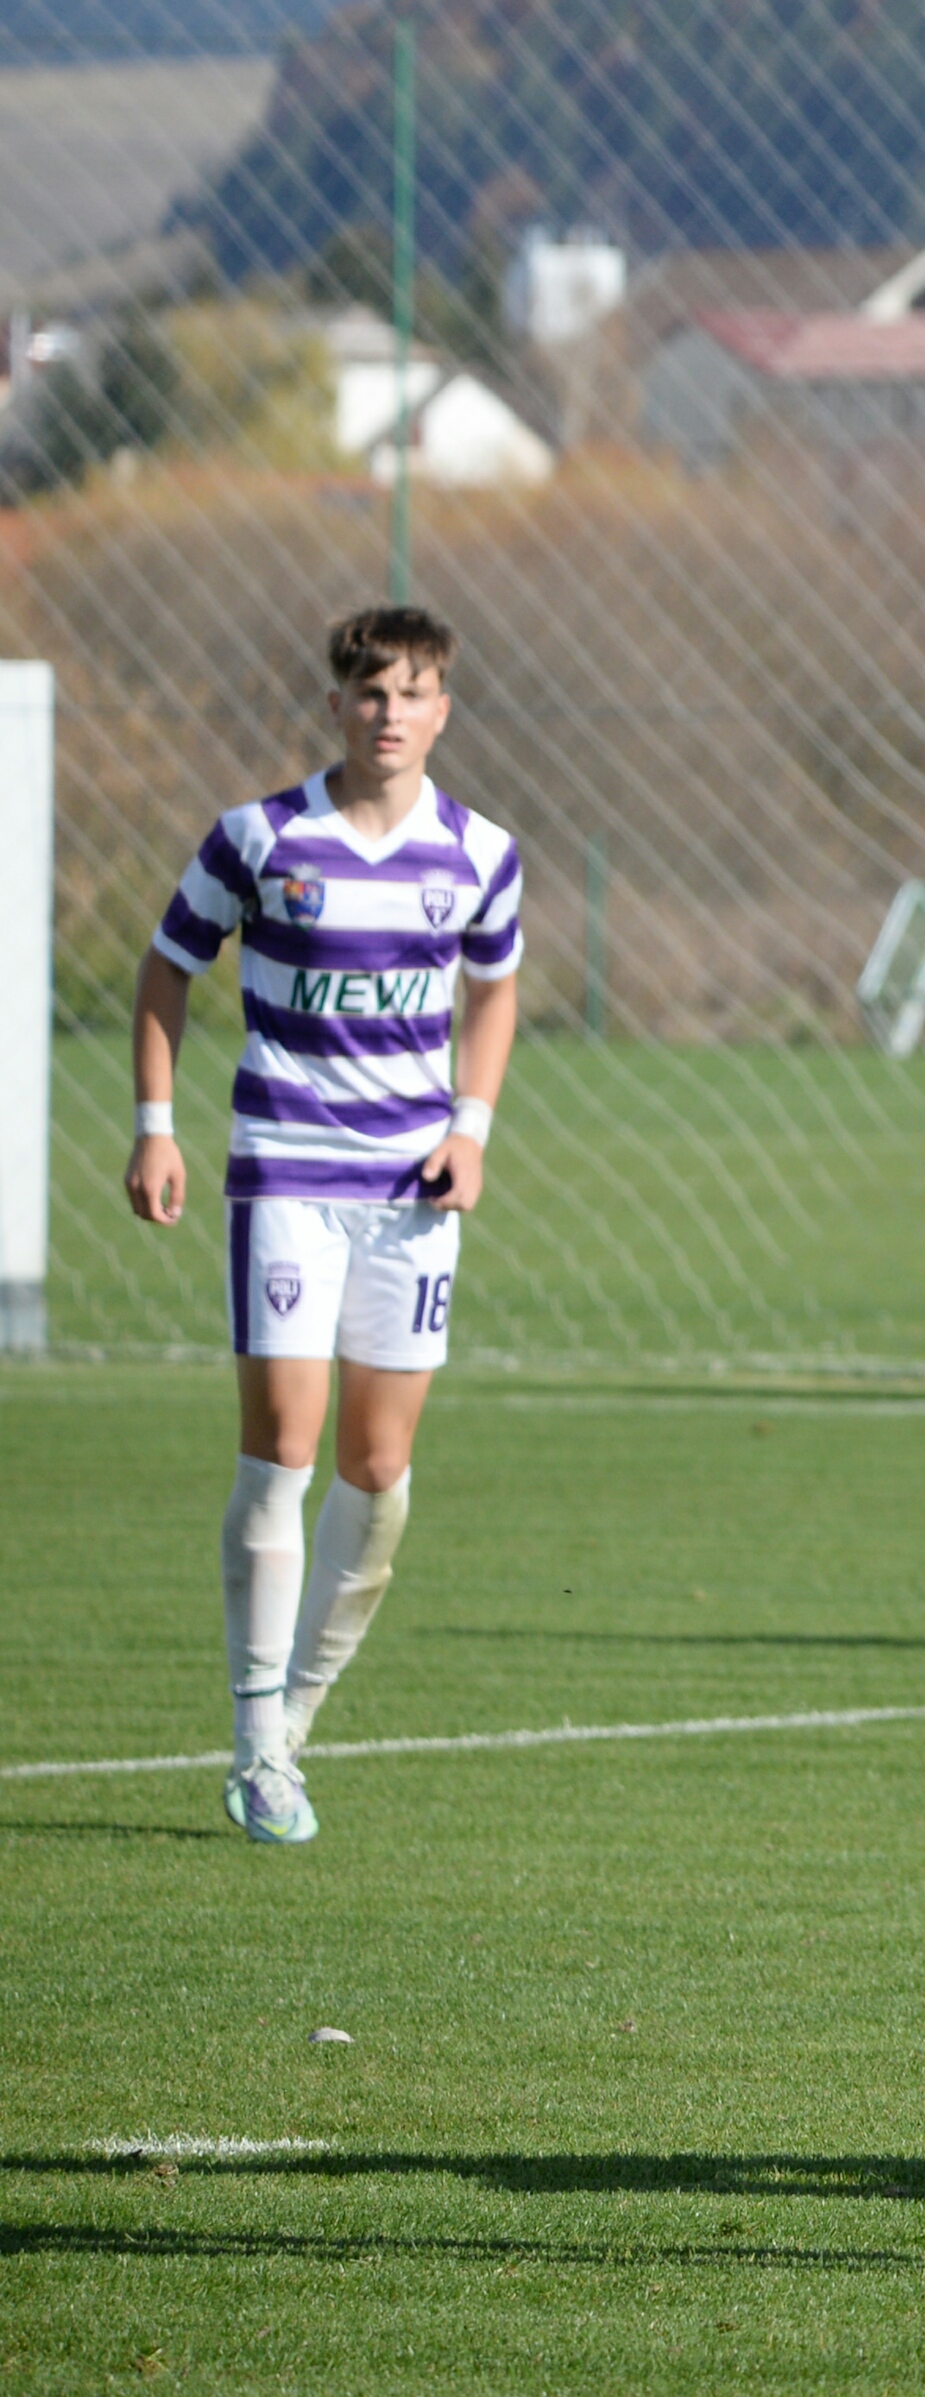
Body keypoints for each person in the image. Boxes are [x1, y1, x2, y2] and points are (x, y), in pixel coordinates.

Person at [124, 604, 521, 1847]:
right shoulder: (259, 837)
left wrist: (471, 1128)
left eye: (411, 694)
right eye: (369, 692)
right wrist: (155, 1125)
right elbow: (166, 966)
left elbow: (496, 988)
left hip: (412, 1196)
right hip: (285, 1176)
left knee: (378, 1472)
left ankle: (293, 1719)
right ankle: (256, 1747)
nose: (388, 714)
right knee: (283, 1450)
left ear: (443, 709)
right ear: (336, 703)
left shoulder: (480, 854)